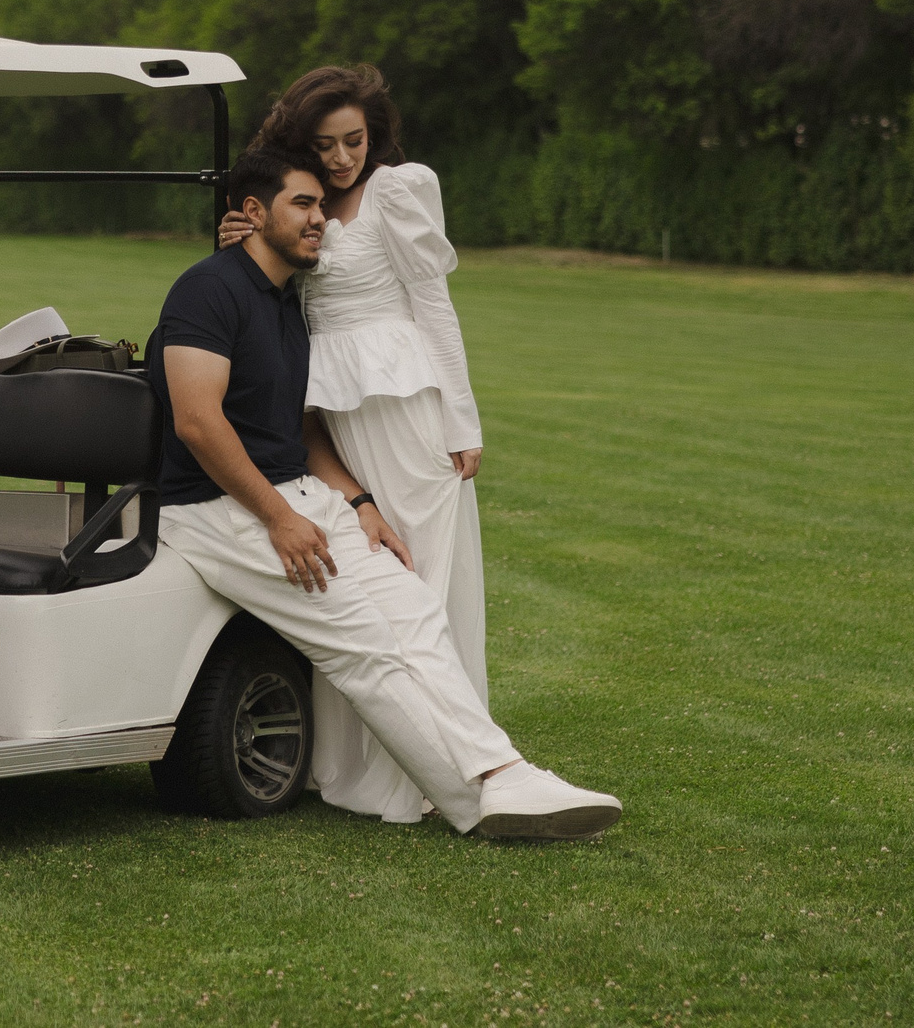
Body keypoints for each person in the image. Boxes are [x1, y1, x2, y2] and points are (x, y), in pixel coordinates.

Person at [152, 141, 619, 839]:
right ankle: (479, 798)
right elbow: (197, 420)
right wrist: (278, 517)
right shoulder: (206, 290)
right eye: (302, 204)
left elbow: (298, 428)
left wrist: (359, 502)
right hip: (218, 511)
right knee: (365, 641)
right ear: (254, 210)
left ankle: (506, 774)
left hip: (302, 496)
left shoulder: (287, 300)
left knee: (416, 612)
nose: (320, 218)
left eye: (321, 204)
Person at [218, 64, 488, 823]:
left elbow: (433, 302)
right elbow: (263, 291)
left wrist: (462, 420)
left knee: (421, 572)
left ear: (375, 136)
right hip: (328, 412)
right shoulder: (293, 201)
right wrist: (239, 241)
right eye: (326, 144)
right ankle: (352, 757)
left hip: (404, 406)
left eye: (355, 141)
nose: (341, 158)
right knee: (355, 575)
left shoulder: (398, 190)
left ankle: (443, 761)